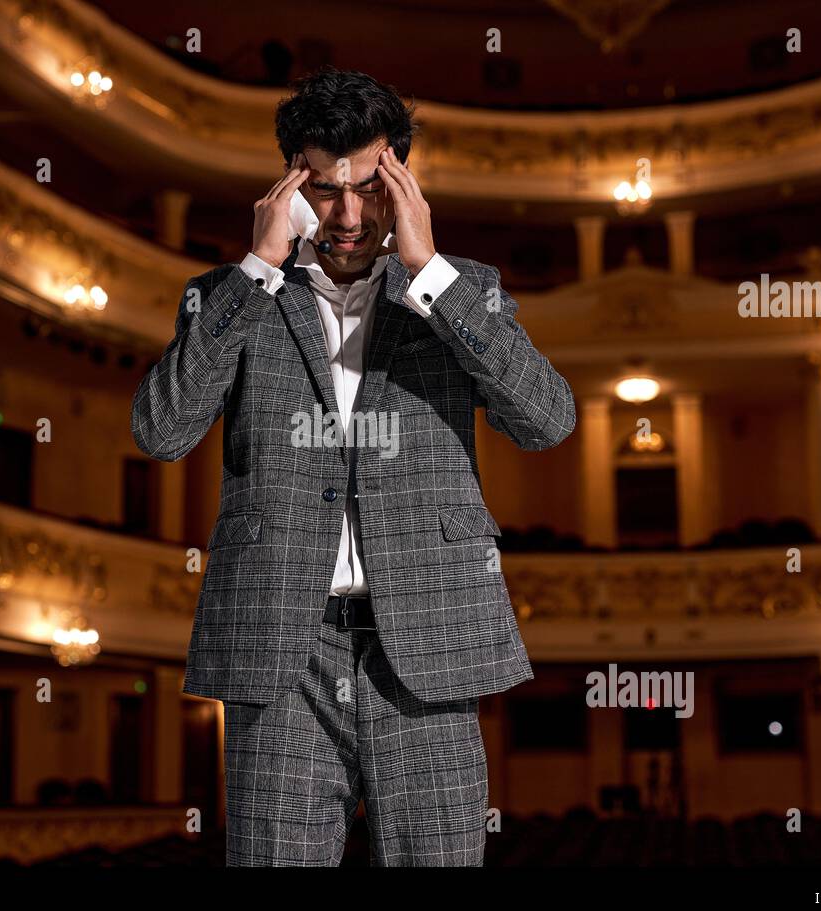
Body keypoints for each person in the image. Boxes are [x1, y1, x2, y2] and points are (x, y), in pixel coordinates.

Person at [132, 67, 576, 866]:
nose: (345, 215)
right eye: (322, 189)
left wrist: (429, 272)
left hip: (430, 641)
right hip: (280, 650)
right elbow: (162, 432)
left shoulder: (462, 290)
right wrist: (255, 271)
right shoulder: (228, 295)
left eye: (368, 188)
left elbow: (545, 421)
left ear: (401, 180)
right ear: (287, 187)